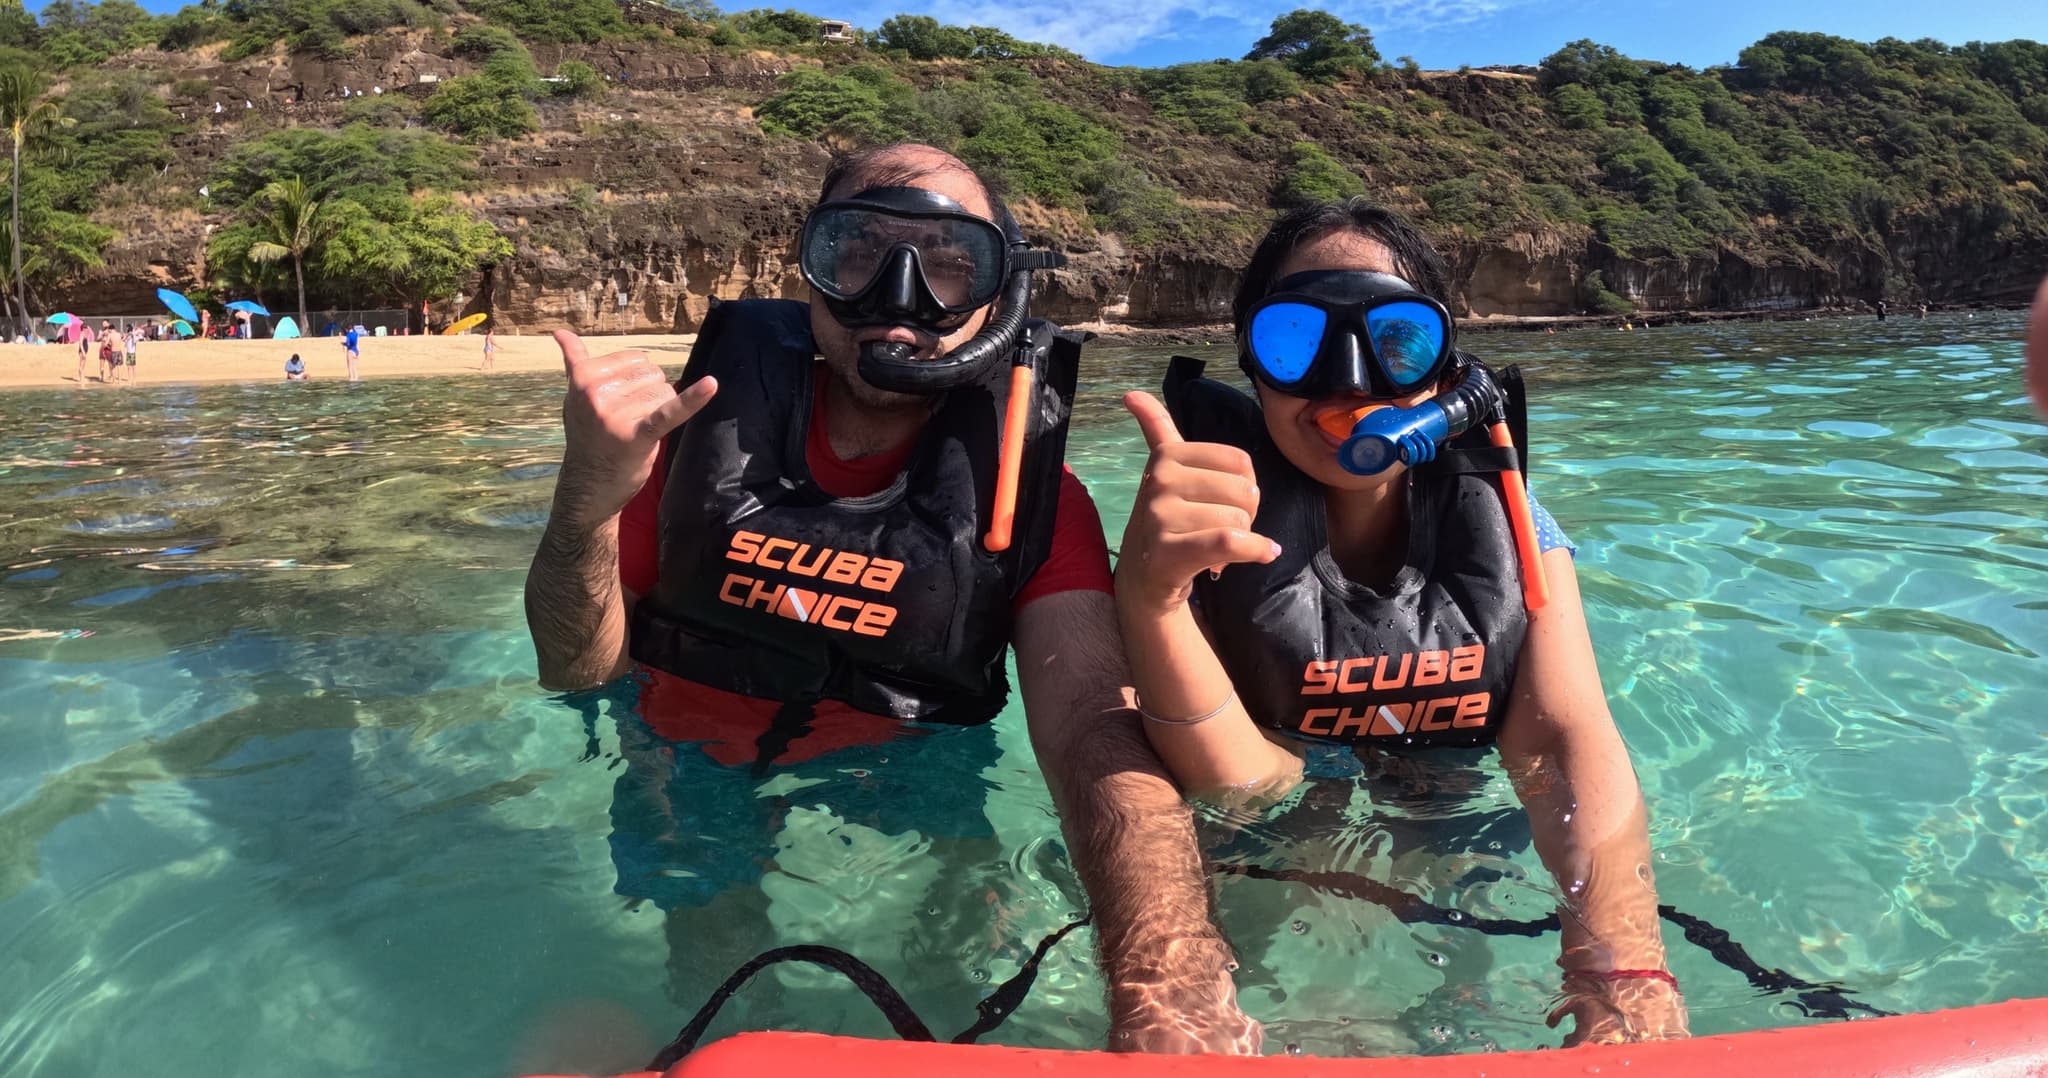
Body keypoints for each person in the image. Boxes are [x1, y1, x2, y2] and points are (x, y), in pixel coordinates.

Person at [524, 143, 1257, 1052]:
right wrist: (584, 503)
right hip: (687, 754)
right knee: (719, 996)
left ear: (1000, 296)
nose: (899, 296)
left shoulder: (1026, 502)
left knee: (956, 980)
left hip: (910, 764)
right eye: (858, 251)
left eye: (951, 262)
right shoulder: (678, 444)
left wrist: (1175, 989)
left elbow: (1093, 736)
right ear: (808, 273)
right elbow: (575, 670)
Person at [1114, 198, 1687, 1047]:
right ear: (1252, 366)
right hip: (1272, 823)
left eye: (1396, 339)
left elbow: (1562, 745)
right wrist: (1151, 598)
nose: (1348, 380)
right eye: (1295, 341)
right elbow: (1244, 787)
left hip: (1456, 804)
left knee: (1469, 987)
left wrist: (1625, 970)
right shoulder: (1199, 530)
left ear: (1447, 368)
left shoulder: (1512, 520)